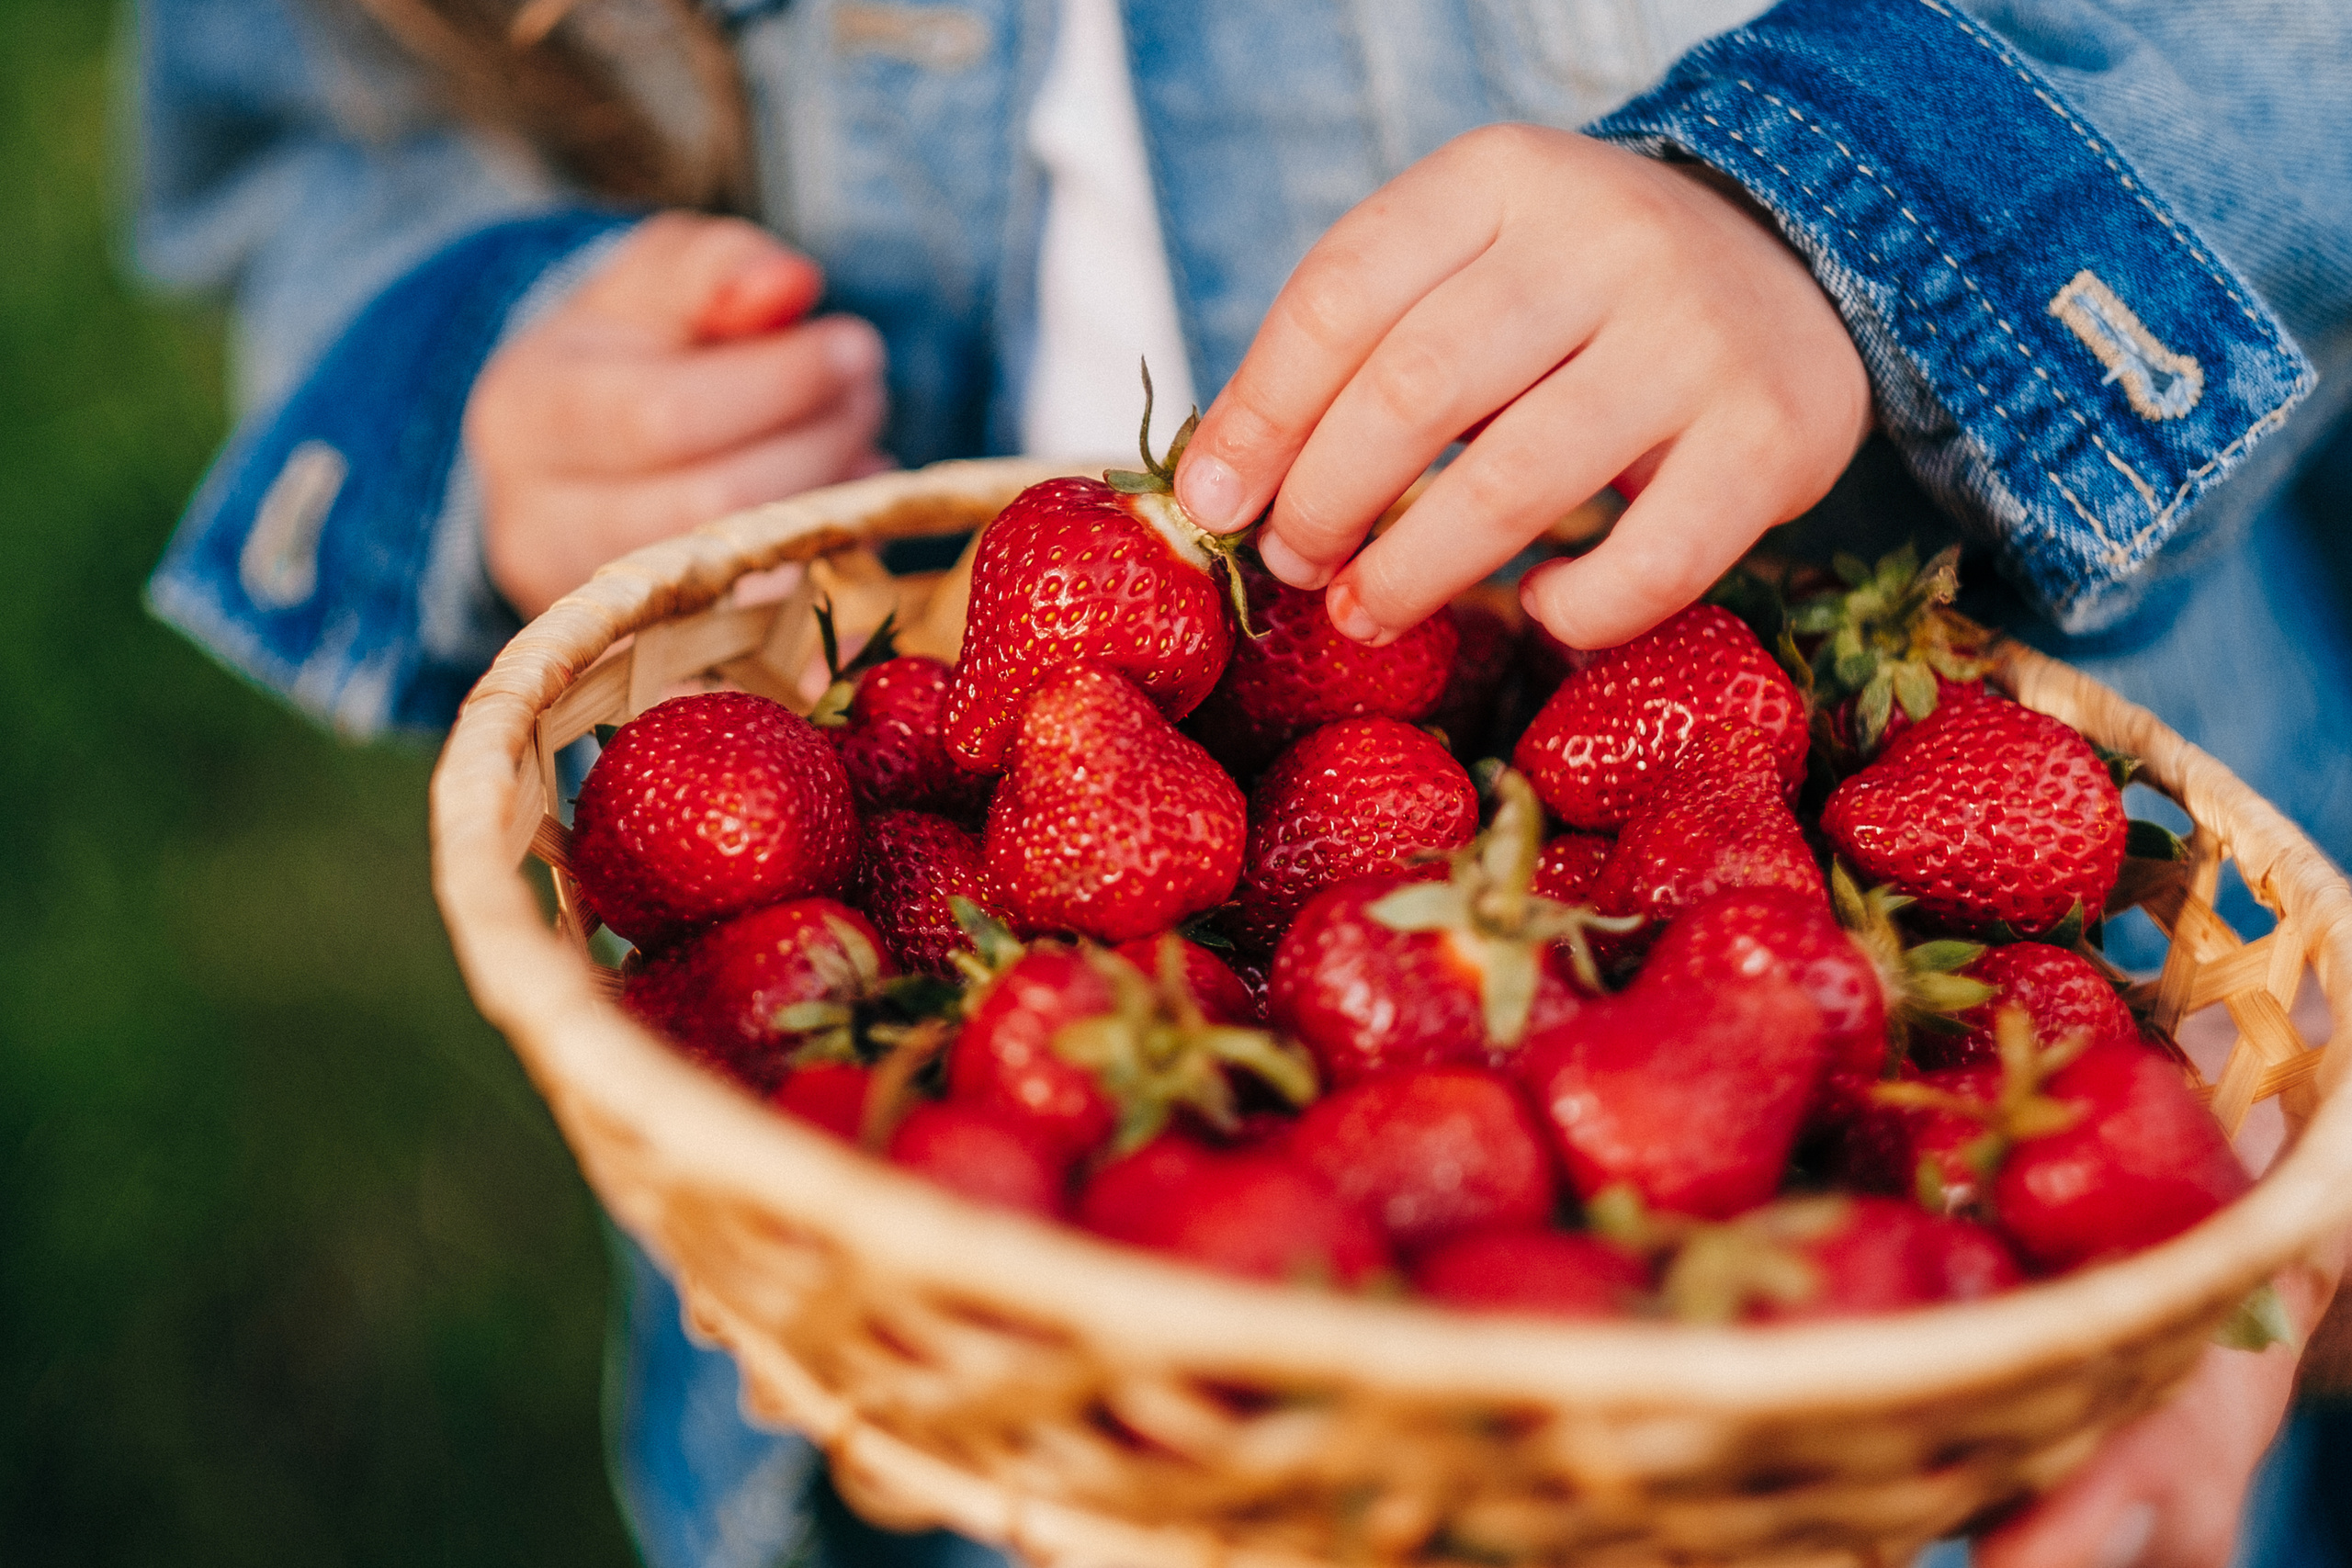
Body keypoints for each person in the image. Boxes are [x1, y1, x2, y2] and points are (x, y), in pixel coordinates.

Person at [133, 1, 2352, 1563]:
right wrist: (501, 364)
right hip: (963, 1290)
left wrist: (1843, 216)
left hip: (1833, 1400)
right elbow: (318, 101)